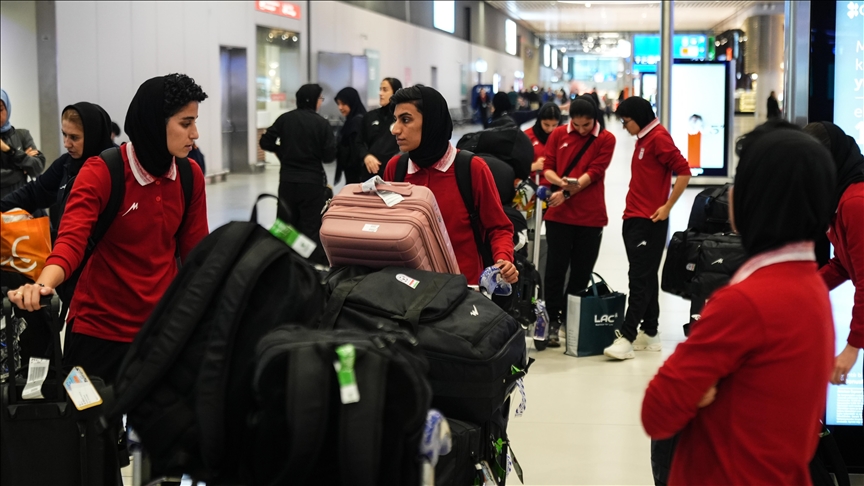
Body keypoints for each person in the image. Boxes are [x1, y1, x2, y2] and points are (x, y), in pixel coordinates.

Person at [642, 123, 836, 484]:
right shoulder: (811, 288)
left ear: (753, 198)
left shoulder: (743, 303)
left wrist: (698, 392)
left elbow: (657, 410)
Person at [6, 73, 210, 382]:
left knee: (158, 428)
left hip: (160, 330)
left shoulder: (189, 175)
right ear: (156, 122)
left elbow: (198, 257)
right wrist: (43, 285)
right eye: (186, 123)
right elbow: (71, 241)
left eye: (194, 122)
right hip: (97, 331)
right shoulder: (102, 172)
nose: (195, 133)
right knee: (89, 426)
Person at [383, 85, 518, 286]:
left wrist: (503, 259)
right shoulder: (396, 169)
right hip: (407, 289)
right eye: (395, 120)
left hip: (462, 292)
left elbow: (499, 227)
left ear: (431, 122)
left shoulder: (471, 169)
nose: (395, 129)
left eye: (406, 120)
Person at [605, 96, 691, 360]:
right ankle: (650, 331)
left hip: (649, 221)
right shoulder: (644, 138)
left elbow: (684, 171)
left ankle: (627, 336)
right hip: (634, 217)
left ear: (639, 117)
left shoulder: (659, 138)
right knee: (645, 275)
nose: (624, 127)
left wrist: (667, 207)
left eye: (626, 121)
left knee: (639, 279)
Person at [540, 95, 616, 347]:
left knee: (581, 272)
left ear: (595, 119)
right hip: (559, 216)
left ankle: (570, 320)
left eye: (587, 125)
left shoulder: (606, 139)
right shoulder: (559, 134)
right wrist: (559, 182)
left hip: (590, 217)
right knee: (555, 268)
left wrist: (568, 191)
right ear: (571, 119)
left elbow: (595, 172)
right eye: (578, 124)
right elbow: (547, 168)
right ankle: (552, 319)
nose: (582, 130)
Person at [803, 121, 864, 422]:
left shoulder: (854, 203)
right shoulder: (840, 199)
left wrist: (852, 348)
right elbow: (843, 263)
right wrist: (801, 291)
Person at [259, 83, 336, 266]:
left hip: (287, 181)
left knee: (285, 225)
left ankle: (283, 263)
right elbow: (329, 157)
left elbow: (265, 141)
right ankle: (308, 267)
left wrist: (282, 150)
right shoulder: (321, 123)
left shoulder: (285, 119)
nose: (320, 103)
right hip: (312, 183)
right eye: (320, 99)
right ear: (312, 100)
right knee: (310, 227)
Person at [0, 89, 46, 199]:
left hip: (21, 206)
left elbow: (37, 167)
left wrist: (9, 150)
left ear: (7, 108)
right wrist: (21, 170)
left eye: (0, 109)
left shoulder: (22, 135)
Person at [358, 77, 402, 179]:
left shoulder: (401, 118)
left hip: (393, 173)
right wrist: (366, 156)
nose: (380, 93)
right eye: (380, 89)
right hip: (370, 173)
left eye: (385, 90)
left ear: (396, 92)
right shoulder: (370, 116)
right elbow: (359, 142)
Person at [333, 87, 367, 184]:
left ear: (352, 102)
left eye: (343, 104)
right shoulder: (352, 120)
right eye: (338, 104)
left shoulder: (356, 122)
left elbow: (356, 150)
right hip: (353, 173)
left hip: (357, 174)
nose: (340, 107)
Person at [524, 102, 560, 174]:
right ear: (539, 120)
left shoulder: (562, 136)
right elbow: (517, 166)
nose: (550, 129)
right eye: (546, 125)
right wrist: (533, 166)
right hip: (535, 181)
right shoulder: (527, 136)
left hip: (558, 182)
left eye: (554, 125)